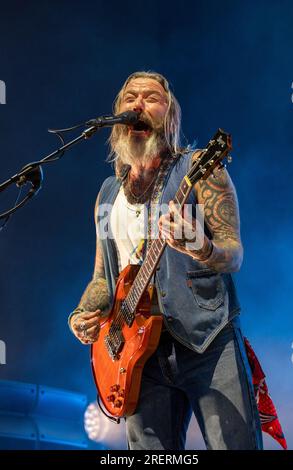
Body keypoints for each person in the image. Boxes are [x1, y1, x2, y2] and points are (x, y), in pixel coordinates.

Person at [68, 71, 263, 450]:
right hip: (139, 357)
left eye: (151, 97)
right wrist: (80, 314)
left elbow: (233, 253)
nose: (138, 104)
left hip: (206, 340)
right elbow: (103, 278)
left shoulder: (200, 169)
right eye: (130, 97)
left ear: (170, 116)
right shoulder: (107, 194)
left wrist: (200, 247)